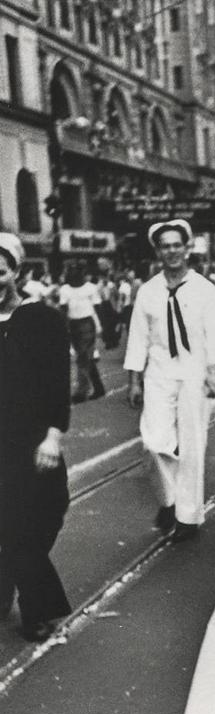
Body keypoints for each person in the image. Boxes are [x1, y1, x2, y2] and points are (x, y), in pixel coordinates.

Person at [124, 219, 215, 542]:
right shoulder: (148, 291)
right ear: (158, 252)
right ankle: (169, 500)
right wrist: (134, 380)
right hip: (159, 372)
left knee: (193, 444)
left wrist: (214, 373)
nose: (171, 251)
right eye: (165, 246)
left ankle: (188, 517)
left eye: (176, 245)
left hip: (195, 373)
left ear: (187, 248)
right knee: (153, 442)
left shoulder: (205, 290)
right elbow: (138, 338)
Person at [0, 233, 72, 642]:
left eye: (0, 271)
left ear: (16, 272)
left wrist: (53, 435)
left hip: (33, 440)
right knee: (13, 525)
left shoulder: (43, 320)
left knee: (47, 513)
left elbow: (57, 382)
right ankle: (38, 609)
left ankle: (7, 576)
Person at [58, 263, 105, 403]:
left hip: (87, 324)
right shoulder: (65, 289)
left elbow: (98, 307)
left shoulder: (90, 288)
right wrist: (63, 327)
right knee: (85, 357)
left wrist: (100, 326)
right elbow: (63, 309)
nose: (74, 275)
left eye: (77, 272)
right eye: (71, 272)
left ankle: (81, 392)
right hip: (73, 324)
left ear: (82, 273)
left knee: (83, 357)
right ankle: (99, 387)